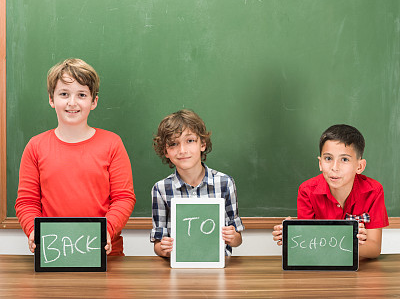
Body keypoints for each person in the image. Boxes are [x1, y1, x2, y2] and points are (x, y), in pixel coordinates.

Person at [15, 58, 136, 256]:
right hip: (53, 253)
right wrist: (33, 230)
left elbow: (124, 198)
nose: (72, 103)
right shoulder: (35, 147)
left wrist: (107, 229)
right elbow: (26, 202)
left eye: (81, 95)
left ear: (93, 101)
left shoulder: (112, 144)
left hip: (104, 255)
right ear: (51, 99)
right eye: (64, 94)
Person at [272, 124, 388, 259]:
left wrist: (347, 243)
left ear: (360, 166)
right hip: (321, 267)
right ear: (320, 163)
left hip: (358, 270)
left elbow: (374, 249)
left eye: (344, 159)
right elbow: (309, 247)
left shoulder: (374, 191)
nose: (334, 167)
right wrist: (294, 236)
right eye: (328, 158)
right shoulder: (307, 191)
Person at [150, 109, 244, 257]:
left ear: (203, 144)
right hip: (179, 267)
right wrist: (164, 248)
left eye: (190, 141)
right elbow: (158, 244)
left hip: (217, 266)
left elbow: (238, 239)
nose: (182, 150)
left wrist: (232, 237)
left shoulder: (225, 183)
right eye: (173, 144)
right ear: (166, 151)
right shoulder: (161, 189)